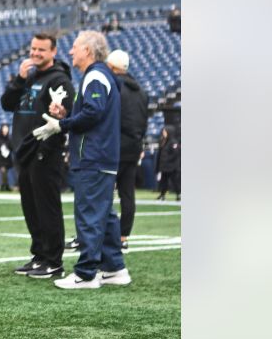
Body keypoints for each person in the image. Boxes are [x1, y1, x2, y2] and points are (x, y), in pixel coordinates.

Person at [35, 30, 128, 289]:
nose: (71, 52)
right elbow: (92, 112)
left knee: (88, 214)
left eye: (75, 47)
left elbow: (93, 113)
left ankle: (86, 273)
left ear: (87, 50)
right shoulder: (101, 75)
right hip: (103, 156)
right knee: (105, 215)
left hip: (93, 157)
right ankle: (114, 268)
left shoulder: (95, 75)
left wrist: (61, 124)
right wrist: (66, 114)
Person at [1, 33, 74, 279]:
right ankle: (39, 255)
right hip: (24, 151)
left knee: (47, 207)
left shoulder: (59, 80)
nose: (35, 53)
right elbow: (7, 103)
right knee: (31, 208)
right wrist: (19, 79)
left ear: (53, 52)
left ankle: (53, 260)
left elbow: (64, 115)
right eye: (33, 48)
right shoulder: (29, 76)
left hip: (44, 151)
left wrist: (48, 146)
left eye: (41, 50)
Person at [106, 49, 148, 250]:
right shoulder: (142, 92)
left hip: (114, 148)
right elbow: (144, 122)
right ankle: (123, 237)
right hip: (134, 148)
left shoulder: (114, 87)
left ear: (112, 67)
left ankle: (102, 234)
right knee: (127, 194)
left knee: (103, 192)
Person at [156, 124, 181, 201]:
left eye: (165, 131)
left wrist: (167, 160)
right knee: (163, 181)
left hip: (172, 167)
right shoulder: (163, 141)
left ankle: (179, 194)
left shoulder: (173, 142)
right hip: (165, 167)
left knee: (175, 181)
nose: (163, 133)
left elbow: (175, 154)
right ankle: (162, 194)